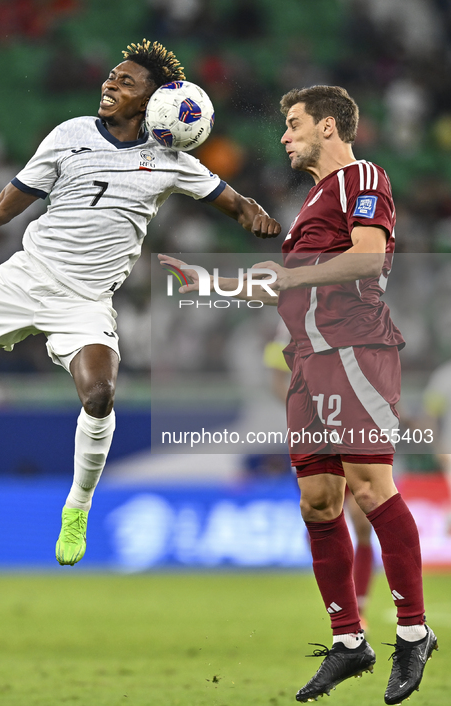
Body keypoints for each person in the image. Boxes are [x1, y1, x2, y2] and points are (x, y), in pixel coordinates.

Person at [0, 39, 280, 568]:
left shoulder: (172, 162)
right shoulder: (70, 134)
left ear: (154, 101)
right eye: (111, 76)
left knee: (100, 393)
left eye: (126, 81)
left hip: (84, 301)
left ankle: (77, 507)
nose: (110, 84)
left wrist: (255, 216)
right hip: (26, 279)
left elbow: (235, 202)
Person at [160, 85, 437, 705]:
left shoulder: (361, 177)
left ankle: (414, 632)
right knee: (318, 501)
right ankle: (348, 642)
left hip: (354, 349)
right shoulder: (312, 205)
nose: (284, 136)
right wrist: (209, 281)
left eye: (294, 124)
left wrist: (295, 275)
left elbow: (367, 260)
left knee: (370, 490)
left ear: (330, 128)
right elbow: (284, 287)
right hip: (307, 362)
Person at [263, 320, 376, 632]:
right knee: (320, 514)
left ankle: (359, 608)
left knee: (363, 517)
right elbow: (276, 381)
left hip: (355, 430)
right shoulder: (288, 324)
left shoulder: (355, 309)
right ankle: (340, 601)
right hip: (311, 433)